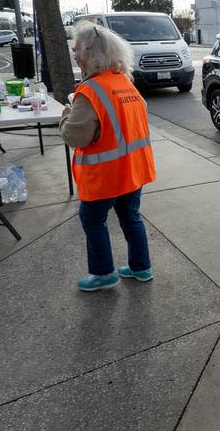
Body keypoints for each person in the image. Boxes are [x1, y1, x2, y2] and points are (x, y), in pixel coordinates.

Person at [60, 20, 156, 292]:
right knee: (130, 216)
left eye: (76, 49)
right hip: (133, 170)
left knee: (92, 219)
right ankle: (141, 267)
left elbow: (75, 136)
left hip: (106, 175)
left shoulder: (91, 91)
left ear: (90, 54)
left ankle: (103, 273)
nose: (75, 54)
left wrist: (65, 118)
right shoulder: (126, 84)